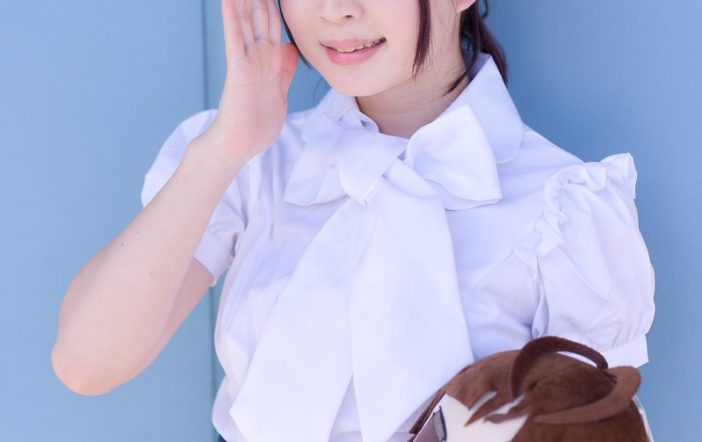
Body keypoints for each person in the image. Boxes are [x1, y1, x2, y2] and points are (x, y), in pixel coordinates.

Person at [52, 0, 656, 441]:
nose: (335, 10)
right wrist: (224, 150)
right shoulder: (257, 164)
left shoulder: (567, 208)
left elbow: (599, 425)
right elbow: (86, 364)